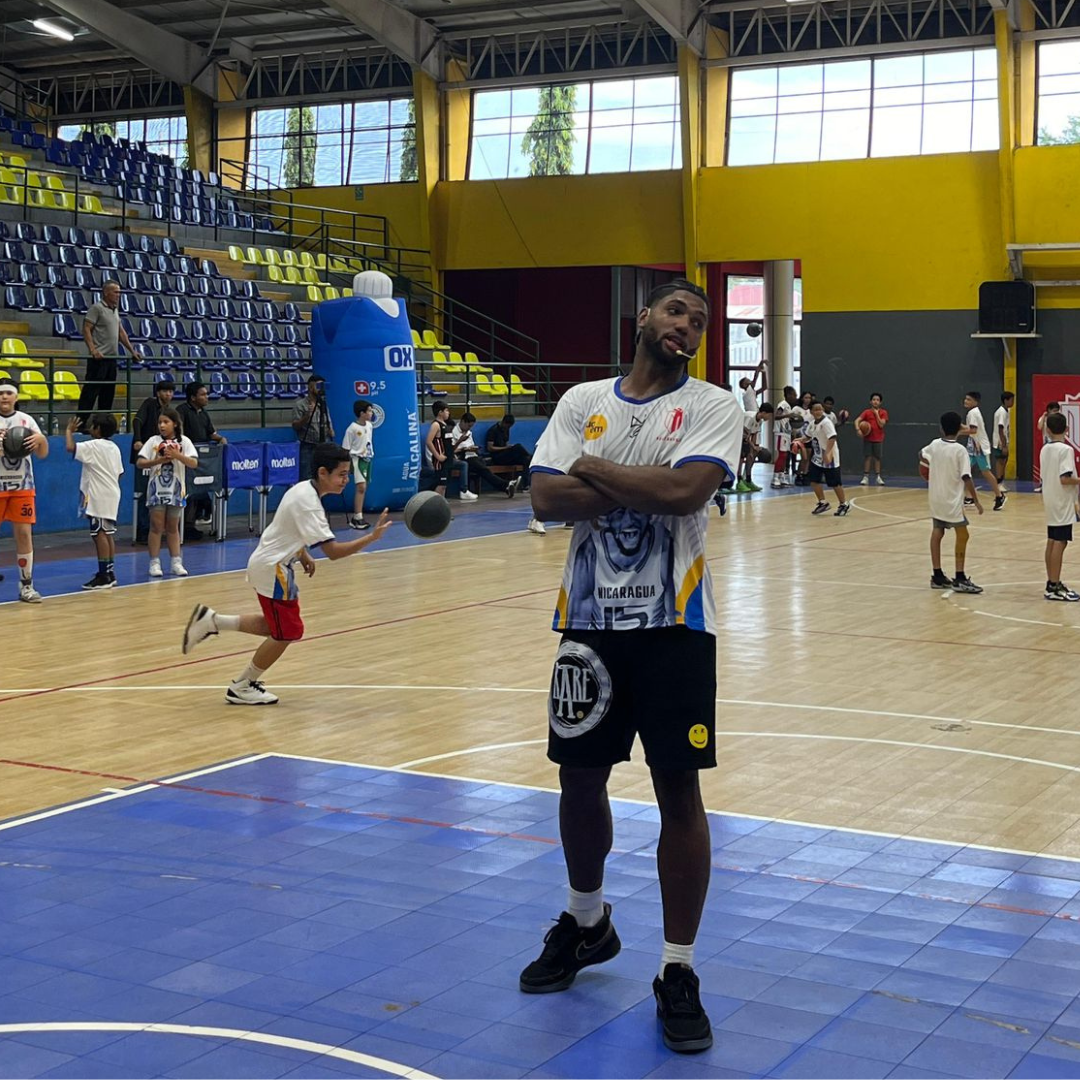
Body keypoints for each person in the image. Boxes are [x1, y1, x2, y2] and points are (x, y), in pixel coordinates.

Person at [520, 279, 744, 1054]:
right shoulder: (583, 397)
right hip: (586, 623)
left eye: (702, 319)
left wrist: (596, 468)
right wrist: (631, 485)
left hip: (676, 625)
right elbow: (546, 500)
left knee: (678, 790)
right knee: (578, 777)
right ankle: (587, 923)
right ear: (644, 317)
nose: (689, 325)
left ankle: (677, 969)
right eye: (677, 311)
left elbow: (685, 493)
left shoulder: (715, 405)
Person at [181, 443, 392, 705]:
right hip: (273, 568)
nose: (346, 480)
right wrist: (372, 538)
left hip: (273, 564)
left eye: (348, 474)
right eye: (342, 474)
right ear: (323, 472)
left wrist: (302, 553)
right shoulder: (309, 503)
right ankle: (242, 685)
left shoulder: (304, 489)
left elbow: (288, 527)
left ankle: (212, 621)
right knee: (288, 631)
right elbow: (334, 552)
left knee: (275, 626)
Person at [921, 411, 983, 593]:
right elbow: (966, 477)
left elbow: (921, 455)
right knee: (963, 535)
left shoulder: (934, 444)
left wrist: (930, 469)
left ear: (941, 428)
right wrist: (976, 500)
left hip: (935, 498)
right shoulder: (960, 450)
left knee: (937, 532)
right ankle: (960, 577)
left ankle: (937, 575)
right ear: (960, 428)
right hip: (951, 501)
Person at [0, 380, 48, 602]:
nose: (4, 397)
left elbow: (42, 454)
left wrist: (41, 439)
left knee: (23, 534)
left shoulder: (26, 421)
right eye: (1, 394)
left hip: (22, 486)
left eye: (9, 393)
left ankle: (26, 584)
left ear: (16, 397)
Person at [137, 407, 198, 578]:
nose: (162, 426)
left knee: (173, 527)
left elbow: (193, 463)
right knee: (156, 526)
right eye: (159, 422)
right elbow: (140, 463)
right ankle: (154, 562)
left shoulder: (184, 442)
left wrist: (177, 456)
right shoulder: (153, 441)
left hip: (176, 491)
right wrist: (159, 460)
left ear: (175, 424)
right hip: (157, 490)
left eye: (166, 422)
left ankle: (176, 562)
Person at [65, 413, 123, 590]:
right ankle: (109, 572)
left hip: (99, 495)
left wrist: (68, 431)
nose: (89, 429)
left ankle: (104, 575)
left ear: (97, 429)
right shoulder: (114, 447)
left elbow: (70, 448)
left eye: (92, 426)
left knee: (99, 534)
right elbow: (120, 473)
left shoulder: (93, 445)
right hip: (112, 492)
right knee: (107, 533)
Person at [79, 279, 141, 421]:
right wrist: (93, 350)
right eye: (115, 292)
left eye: (119, 292)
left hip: (112, 359)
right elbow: (86, 328)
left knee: (108, 394)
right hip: (98, 359)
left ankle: (102, 422)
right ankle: (81, 423)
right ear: (106, 292)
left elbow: (121, 332)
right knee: (90, 393)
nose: (118, 295)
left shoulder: (114, 310)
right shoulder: (97, 308)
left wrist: (132, 351)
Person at [177, 380, 227, 538]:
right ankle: (185, 526)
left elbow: (211, 433)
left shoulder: (204, 413)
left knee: (203, 491)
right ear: (193, 397)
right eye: (203, 394)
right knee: (190, 493)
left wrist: (221, 439)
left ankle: (192, 524)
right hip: (186, 459)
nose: (207, 397)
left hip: (204, 460)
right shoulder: (182, 411)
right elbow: (180, 434)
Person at [1040, 411, 1080, 601]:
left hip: (1050, 498)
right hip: (1062, 501)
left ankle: (1051, 582)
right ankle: (1054, 586)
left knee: (1052, 539)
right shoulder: (1066, 450)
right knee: (1060, 542)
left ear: (1047, 429)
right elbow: (1065, 479)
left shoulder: (1045, 449)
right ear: (1067, 429)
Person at [131, 378, 175, 544]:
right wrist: (138, 439)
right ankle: (142, 530)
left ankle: (154, 528)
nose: (168, 394)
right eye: (165, 391)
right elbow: (137, 420)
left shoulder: (169, 411)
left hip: (159, 457)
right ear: (158, 393)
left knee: (156, 493)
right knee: (143, 492)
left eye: (171, 391)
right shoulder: (149, 403)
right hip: (143, 454)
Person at [450, 411, 522, 499]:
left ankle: (506, 487)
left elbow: (470, 445)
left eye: (471, 427)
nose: (469, 429)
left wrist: (474, 448)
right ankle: (507, 484)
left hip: (473, 455)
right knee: (484, 469)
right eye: (468, 426)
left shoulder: (468, 432)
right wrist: (463, 447)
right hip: (464, 457)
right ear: (463, 421)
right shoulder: (453, 432)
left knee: (485, 470)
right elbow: (452, 450)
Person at [800, 400, 850, 516]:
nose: (818, 411)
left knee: (835, 483)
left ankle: (844, 504)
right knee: (813, 480)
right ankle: (823, 502)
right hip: (817, 457)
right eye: (816, 409)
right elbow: (808, 437)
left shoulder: (826, 423)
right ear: (811, 411)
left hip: (830, 457)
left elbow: (832, 438)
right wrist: (799, 440)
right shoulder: (812, 424)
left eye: (820, 409)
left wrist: (827, 453)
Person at [962, 391, 1006, 510]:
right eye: (965, 399)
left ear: (976, 402)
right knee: (965, 470)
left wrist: (957, 431)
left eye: (969, 399)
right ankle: (968, 497)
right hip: (973, 445)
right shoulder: (973, 412)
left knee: (986, 472)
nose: (966, 401)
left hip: (980, 447)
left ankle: (999, 496)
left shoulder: (973, 413)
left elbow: (973, 430)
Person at [293, 374, 334, 480]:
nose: (320, 388)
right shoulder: (300, 404)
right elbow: (295, 426)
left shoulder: (323, 403)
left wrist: (331, 429)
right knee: (306, 476)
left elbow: (327, 419)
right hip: (308, 445)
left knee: (323, 476)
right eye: (318, 386)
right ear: (310, 387)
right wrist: (307, 416)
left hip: (324, 444)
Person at [342, 399, 375, 529]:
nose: (371, 413)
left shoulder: (369, 425)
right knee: (360, 487)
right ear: (362, 413)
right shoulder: (352, 429)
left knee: (364, 487)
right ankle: (357, 517)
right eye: (369, 411)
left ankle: (357, 516)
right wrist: (347, 466)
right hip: (357, 459)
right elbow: (346, 448)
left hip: (367, 459)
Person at [737, 402, 774, 492]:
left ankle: (748, 480)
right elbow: (745, 433)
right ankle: (739, 481)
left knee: (751, 456)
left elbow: (754, 435)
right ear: (764, 413)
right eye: (769, 415)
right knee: (741, 458)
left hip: (744, 438)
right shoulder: (750, 418)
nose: (769, 418)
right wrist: (752, 447)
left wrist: (752, 450)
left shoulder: (760, 421)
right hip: (736, 436)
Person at [419, 400, 452, 497]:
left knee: (444, 485)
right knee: (440, 484)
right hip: (440, 460)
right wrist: (438, 456)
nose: (448, 413)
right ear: (440, 412)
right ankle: (436, 504)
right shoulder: (436, 425)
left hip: (448, 459)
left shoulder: (445, 425)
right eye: (446, 410)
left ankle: (441, 503)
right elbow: (429, 441)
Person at [857, 393, 889, 486]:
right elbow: (857, 421)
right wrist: (858, 429)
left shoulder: (883, 412)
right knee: (867, 457)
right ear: (870, 401)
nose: (875, 401)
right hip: (868, 438)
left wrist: (876, 414)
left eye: (877, 400)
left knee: (877, 458)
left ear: (880, 402)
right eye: (874, 399)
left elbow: (881, 424)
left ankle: (878, 477)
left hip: (878, 439)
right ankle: (865, 477)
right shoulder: (866, 412)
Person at [770, 386, 798, 489]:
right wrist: (788, 415)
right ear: (789, 395)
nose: (796, 397)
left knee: (785, 456)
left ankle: (781, 477)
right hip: (780, 432)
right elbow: (776, 416)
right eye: (794, 395)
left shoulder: (788, 406)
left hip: (786, 432)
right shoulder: (782, 404)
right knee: (781, 455)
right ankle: (775, 478)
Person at [1035, 401, 1062, 494]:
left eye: (1057, 411)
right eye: (1054, 411)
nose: (1056, 413)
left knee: (1057, 466)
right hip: (1047, 446)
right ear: (1049, 410)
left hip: (1058, 445)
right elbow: (1039, 427)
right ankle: (1043, 485)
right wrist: (1043, 416)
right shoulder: (1045, 419)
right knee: (1045, 466)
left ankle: (1057, 485)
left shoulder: (1060, 419)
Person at [993, 391, 1014, 487]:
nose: (1012, 402)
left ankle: (1001, 482)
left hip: (1004, 441)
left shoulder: (1006, 411)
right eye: (1011, 400)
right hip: (999, 442)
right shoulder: (1001, 412)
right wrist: (1004, 445)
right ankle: (999, 483)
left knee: (1004, 461)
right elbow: (1000, 429)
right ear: (1005, 400)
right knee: (1000, 462)